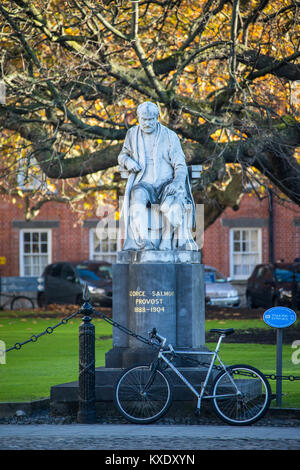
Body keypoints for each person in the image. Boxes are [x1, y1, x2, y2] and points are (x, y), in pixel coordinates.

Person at [118, 101, 197, 251]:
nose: (147, 123)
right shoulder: (132, 134)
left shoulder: (170, 136)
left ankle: (166, 240)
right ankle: (144, 242)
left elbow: (180, 165)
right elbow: (122, 156)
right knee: (137, 199)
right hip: (143, 184)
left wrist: (177, 183)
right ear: (138, 118)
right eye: (144, 119)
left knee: (174, 204)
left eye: (150, 120)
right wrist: (128, 162)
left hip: (166, 183)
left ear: (157, 118)